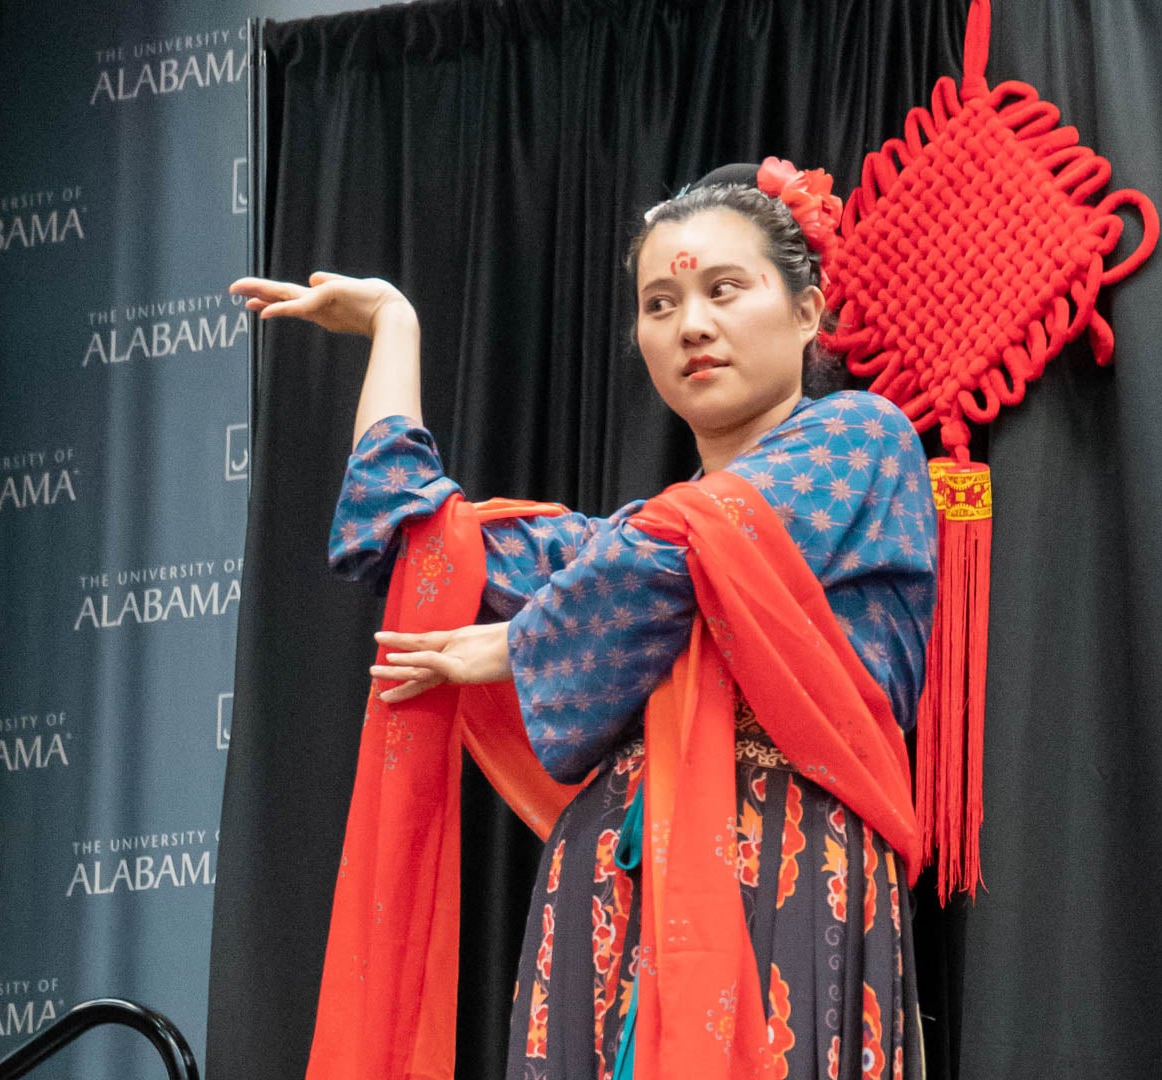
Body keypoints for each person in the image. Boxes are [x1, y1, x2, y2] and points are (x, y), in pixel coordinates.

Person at [230, 161, 937, 1080]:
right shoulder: (623, 544)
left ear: (808, 312)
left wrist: (522, 643)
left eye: (725, 289)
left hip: (782, 877)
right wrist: (392, 325)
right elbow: (414, 534)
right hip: (610, 896)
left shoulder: (860, 442)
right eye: (658, 303)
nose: (691, 325)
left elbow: (677, 557)